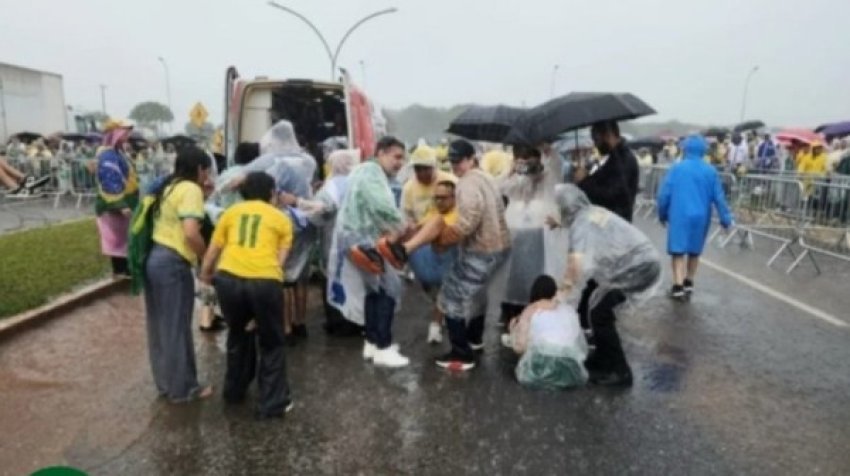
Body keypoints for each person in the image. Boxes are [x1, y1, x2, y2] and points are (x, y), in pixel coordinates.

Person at [375, 139, 511, 371]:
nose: (456, 165)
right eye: (453, 161)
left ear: (472, 159)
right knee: (477, 295)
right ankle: (474, 340)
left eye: (460, 161)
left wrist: (443, 240)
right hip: (499, 247)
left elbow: (467, 222)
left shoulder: (467, 183)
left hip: (483, 249)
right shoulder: (485, 178)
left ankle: (461, 353)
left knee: (450, 297)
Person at [200, 172, 294, 419]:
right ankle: (271, 404)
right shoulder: (281, 219)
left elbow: (213, 250)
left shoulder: (230, 213)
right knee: (272, 343)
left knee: (238, 335)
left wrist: (205, 275)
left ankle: (234, 391)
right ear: (271, 193)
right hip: (265, 281)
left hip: (229, 279)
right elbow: (280, 261)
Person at [550, 184, 662, 386]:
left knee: (600, 313)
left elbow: (575, 267)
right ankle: (603, 359)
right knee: (597, 308)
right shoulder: (589, 213)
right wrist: (558, 223)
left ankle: (620, 371)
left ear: (566, 207)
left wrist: (561, 295)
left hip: (638, 267)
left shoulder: (581, 225)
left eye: (558, 208)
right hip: (642, 263)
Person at [327, 136, 411, 368]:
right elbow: (381, 205)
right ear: (381, 153)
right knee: (389, 288)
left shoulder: (361, 170)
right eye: (396, 157)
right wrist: (404, 225)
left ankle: (372, 343)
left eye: (402, 158)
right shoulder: (372, 173)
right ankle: (383, 347)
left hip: (354, 237)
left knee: (373, 290)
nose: (399, 163)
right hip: (364, 239)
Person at [572, 120, 640, 387]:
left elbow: (615, 194)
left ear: (609, 134)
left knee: (601, 308)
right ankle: (602, 357)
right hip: (607, 242)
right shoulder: (615, 158)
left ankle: (620, 370)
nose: (593, 141)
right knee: (589, 301)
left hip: (618, 248)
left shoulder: (624, 160)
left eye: (596, 136)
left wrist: (584, 182)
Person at [144, 147, 214, 402]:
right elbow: (191, 233)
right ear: (199, 169)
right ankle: (183, 390)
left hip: (156, 259)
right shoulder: (190, 189)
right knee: (177, 328)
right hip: (174, 263)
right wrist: (206, 259)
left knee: (161, 327)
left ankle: (166, 384)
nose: (207, 175)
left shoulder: (170, 186)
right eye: (205, 170)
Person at [496, 143, 567, 339]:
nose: (527, 164)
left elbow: (556, 164)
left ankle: (537, 313)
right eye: (521, 159)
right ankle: (511, 315)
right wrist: (511, 170)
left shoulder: (548, 178)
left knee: (536, 275)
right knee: (513, 276)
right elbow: (498, 187)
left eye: (530, 158)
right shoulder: (518, 181)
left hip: (537, 235)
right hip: (515, 233)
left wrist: (546, 151)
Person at [657, 135, 734, 300]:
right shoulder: (710, 171)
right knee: (694, 250)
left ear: (686, 149)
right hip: (701, 215)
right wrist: (725, 219)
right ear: (703, 151)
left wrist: (662, 213)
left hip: (679, 214)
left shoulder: (677, 169)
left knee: (678, 251)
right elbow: (719, 198)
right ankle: (689, 281)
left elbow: (664, 194)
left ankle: (677, 285)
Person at [296, 149, 360, 336]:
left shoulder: (328, 188)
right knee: (355, 280)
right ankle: (356, 322)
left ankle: (337, 322)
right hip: (357, 242)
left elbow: (316, 216)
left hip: (332, 243)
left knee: (332, 278)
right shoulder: (359, 184)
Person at [506, 275, 588, 390]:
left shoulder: (531, 310)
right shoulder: (568, 310)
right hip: (570, 372)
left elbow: (520, 347)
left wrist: (513, 331)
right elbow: (580, 344)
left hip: (538, 370)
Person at [406, 180, 460, 344]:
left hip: (450, 260)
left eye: (443, 198)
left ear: (454, 198)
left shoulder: (459, 216)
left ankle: (435, 325)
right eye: (436, 198)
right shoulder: (433, 213)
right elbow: (417, 229)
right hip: (428, 261)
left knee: (444, 290)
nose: (439, 201)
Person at [95, 124, 139, 277]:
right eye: (124, 134)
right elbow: (110, 179)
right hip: (114, 202)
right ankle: (121, 270)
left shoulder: (118, 153)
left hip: (126, 199)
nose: (127, 137)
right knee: (116, 238)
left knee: (124, 236)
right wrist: (120, 205)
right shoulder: (108, 155)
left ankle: (125, 269)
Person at [400, 142, 457, 225]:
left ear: (434, 166)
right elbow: (407, 216)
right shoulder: (408, 188)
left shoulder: (451, 181)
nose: (422, 173)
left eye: (426, 169)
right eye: (418, 169)